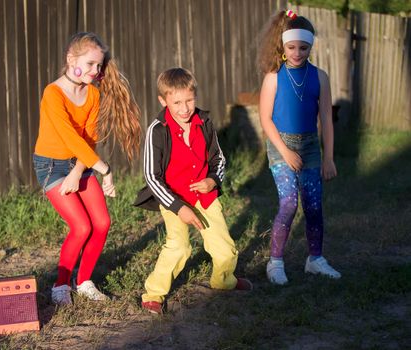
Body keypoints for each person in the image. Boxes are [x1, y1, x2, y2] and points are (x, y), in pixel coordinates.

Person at [33, 32, 141, 305]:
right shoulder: (53, 93)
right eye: (91, 64)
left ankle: (83, 282)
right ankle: (60, 286)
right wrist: (103, 168)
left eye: (99, 66)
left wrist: (78, 171)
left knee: (102, 223)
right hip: (51, 166)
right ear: (71, 59)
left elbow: (87, 140)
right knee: (81, 227)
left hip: (80, 163)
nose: (96, 71)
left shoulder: (92, 94)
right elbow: (69, 137)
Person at [134, 68, 252, 314]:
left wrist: (212, 181)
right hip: (173, 199)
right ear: (163, 101)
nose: (184, 108)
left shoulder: (204, 122)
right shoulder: (157, 130)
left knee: (223, 245)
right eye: (177, 102)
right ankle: (154, 293)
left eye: (189, 100)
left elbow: (218, 159)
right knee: (179, 246)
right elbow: (151, 177)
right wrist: (179, 207)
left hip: (204, 195)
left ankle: (223, 280)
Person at [257, 10, 341, 285]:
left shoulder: (320, 77)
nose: (297, 53)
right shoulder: (274, 76)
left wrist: (328, 157)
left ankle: (315, 259)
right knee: (289, 203)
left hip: (310, 147)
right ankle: (275, 262)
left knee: (314, 206)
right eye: (292, 47)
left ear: (311, 46)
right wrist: (285, 151)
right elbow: (265, 119)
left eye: (303, 48)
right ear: (283, 45)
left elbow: (326, 118)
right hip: (282, 145)